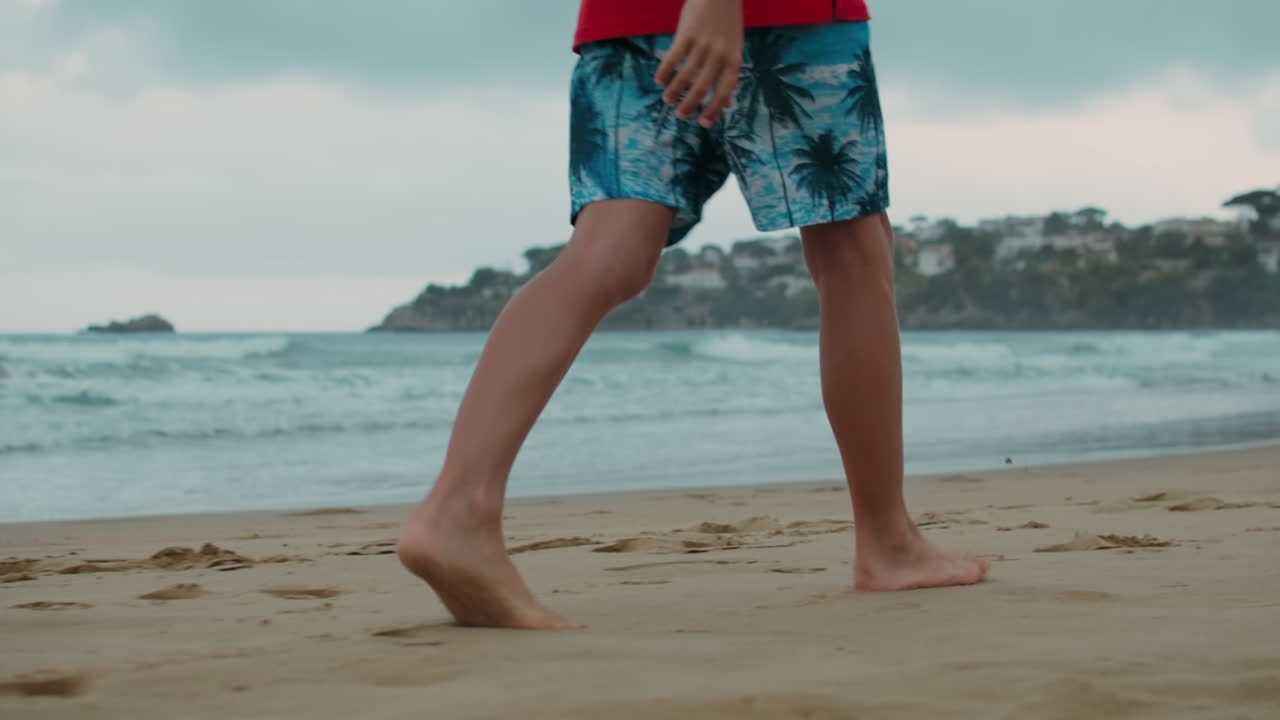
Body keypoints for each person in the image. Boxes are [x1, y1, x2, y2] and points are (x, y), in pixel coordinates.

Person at [398, 0, 989, 630]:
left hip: (625, 18)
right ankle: (888, 543)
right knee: (852, 255)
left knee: (609, 250)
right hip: (775, 15)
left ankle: (459, 509)